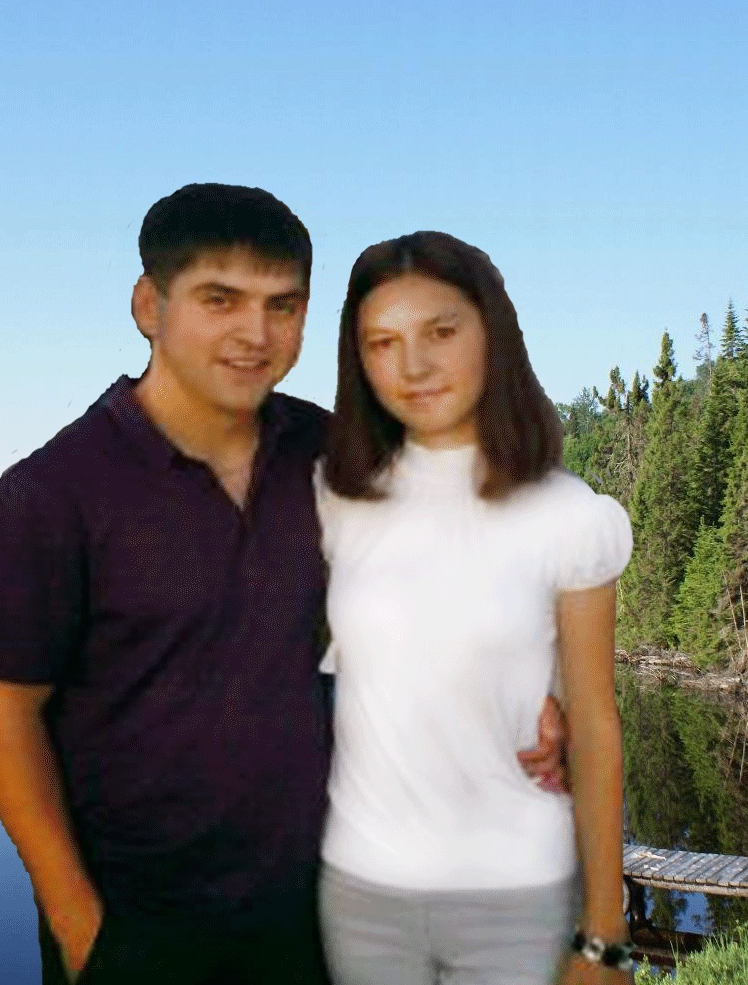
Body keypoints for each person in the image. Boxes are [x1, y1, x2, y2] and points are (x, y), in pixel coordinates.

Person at [0, 184, 568, 985]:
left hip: (327, 920)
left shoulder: (334, 453)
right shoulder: (56, 491)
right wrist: (84, 933)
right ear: (148, 305)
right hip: (140, 933)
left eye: (283, 306)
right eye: (221, 300)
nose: (256, 334)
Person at [315, 231, 634, 985]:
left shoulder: (567, 515)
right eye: (383, 342)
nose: (413, 366)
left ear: (493, 332)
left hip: (517, 891)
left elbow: (594, 723)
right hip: (359, 891)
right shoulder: (334, 497)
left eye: (441, 332)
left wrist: (605, 935)